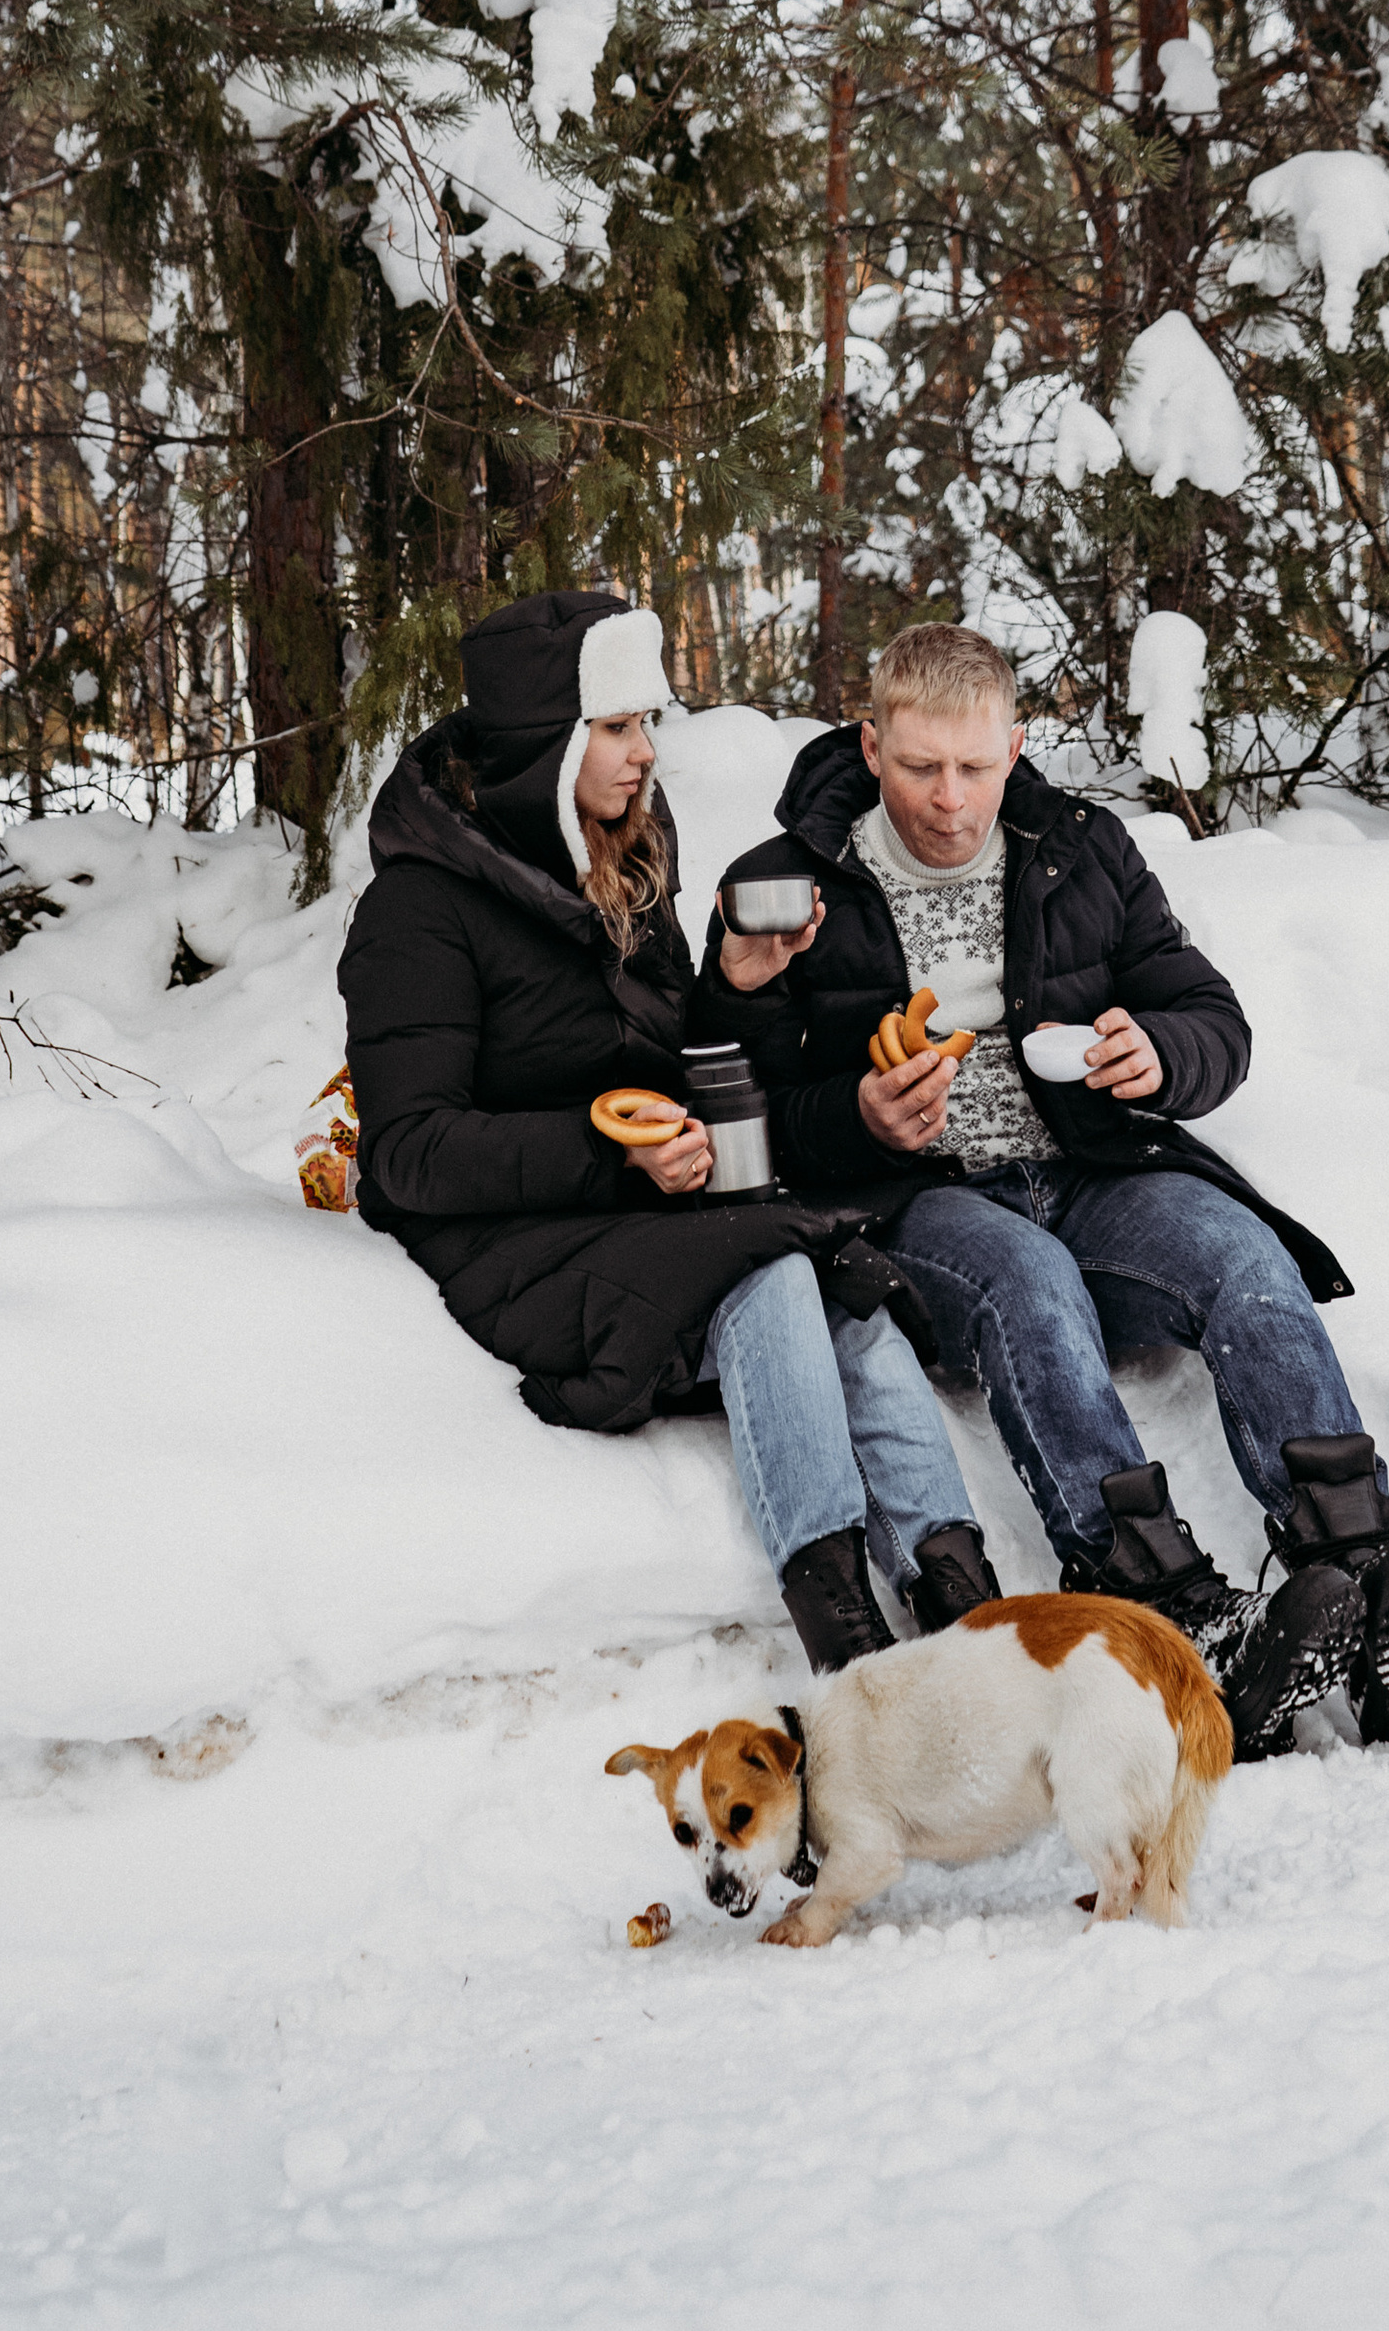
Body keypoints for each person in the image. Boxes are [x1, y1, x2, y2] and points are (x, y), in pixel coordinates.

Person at [703, 618, 1389, 1757]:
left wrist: (1160, 1054)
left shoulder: (1080, 848)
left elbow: (1212, 1019)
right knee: (1030, 1285)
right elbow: (730, 1095)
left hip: (1089, 1166)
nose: (951, 799)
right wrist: (855, 1116)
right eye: (920, 767)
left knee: (1240, 1258)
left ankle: (1358, 1557)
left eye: (976, 766)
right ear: (869, 745)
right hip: (916, 1199)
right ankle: (1164, 1602)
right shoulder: (786, 887)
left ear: (1015, 745)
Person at [338, 590, 1000, 1672]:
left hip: (637, 1211)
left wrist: (735, 985)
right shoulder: (419, 909)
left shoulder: (626, 865)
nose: (646, 752)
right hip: (510, 1239)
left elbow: (663, 1065)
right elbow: (408, 1155)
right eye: (615, 726)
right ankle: (849, 1641)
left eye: (647, 722)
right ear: (543, 741)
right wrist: (612, 1155)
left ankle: (968, 1606)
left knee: (835, 1275)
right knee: (776, 1271)